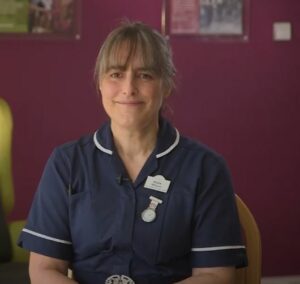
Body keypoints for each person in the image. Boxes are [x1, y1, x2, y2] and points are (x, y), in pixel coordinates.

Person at [18, 21, 247, 284]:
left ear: (167, 86)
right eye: (116, 74)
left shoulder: (206, 168)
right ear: (100, 84)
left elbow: (216, 275)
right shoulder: (66, 162)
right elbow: (44, 269)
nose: (128, 88)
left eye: (145, 75)